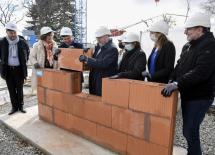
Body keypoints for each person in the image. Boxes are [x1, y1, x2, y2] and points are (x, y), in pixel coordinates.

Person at [161, 12, 215, 155]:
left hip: (200, 96)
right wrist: (172, 79)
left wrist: (178, 84)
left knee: (189, 130)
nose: (185, 32)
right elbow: (180, 65)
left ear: (200, 28)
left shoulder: (210, 46)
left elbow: (201, 72)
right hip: (189, 94)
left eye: (188, 29)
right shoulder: (188, 46)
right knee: (188, 130)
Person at [0, 22, 30, 115]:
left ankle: (20, 106)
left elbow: (27, 54)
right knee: (11, 89)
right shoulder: (2, 42)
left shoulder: (22, 42)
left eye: (14, 32)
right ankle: (14, 107)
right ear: (7, 32)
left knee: (20, 89)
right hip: (8, 69)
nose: (13, 35)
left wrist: (24, 63)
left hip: (19, 69)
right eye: (11, 33)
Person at [79, 26, 118, 96]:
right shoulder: (100, 46)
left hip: (102, 82)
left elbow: (103, 63)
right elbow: (95, 58)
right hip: (95, 80)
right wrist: (88, 50)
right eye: (97, 38)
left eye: (99, 38)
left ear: (106, 36)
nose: (97, 40)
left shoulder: (112, 49)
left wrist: (87, 59)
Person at [29, 27, 58, 92]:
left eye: (51, 35)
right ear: (44, 36)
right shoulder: (37, 45)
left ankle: (49, 99)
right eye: (48, 35)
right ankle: (42, 99)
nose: (50, 37)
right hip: (40, 69)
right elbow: (31, 56)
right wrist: (35, 63)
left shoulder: (55, 45)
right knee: (40, 83)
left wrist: (56, 56)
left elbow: (56, 58)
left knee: (51, 86)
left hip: (51, 69)